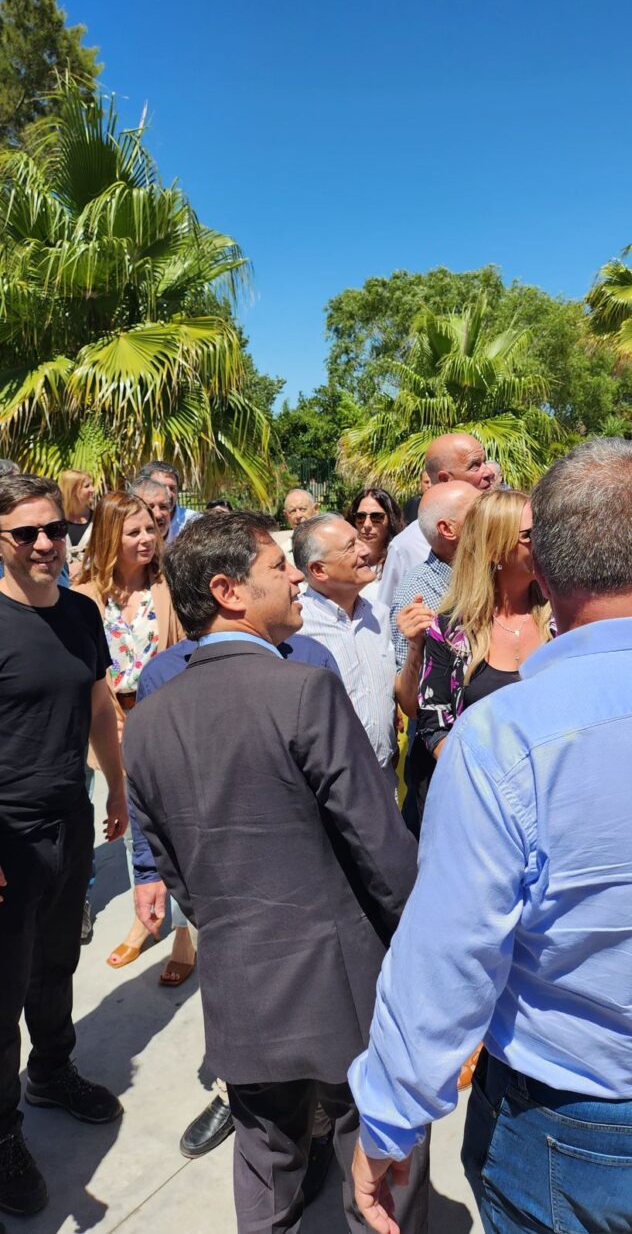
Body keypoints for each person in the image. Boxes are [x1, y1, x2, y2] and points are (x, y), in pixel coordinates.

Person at [350, 439, 632, 1234]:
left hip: (571, 1127)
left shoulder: (507, 739)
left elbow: (448, 959)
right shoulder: (494, 717)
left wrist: (389, 1118)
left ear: (542, 569)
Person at [123, 511, 428, 1234]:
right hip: (345, 982)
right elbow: (380, 847)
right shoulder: (303, 691)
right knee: (382, 1167)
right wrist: (425, 948)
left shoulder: (149, 719)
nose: (296, 576)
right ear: (227, 591)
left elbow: (176, 868)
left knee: (265, 1168)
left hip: (240, 983)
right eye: (277, 567)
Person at [127, 623, 340, 1189]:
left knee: (315, 1007)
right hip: (216, 880)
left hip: (304, 876)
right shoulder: (163, 675)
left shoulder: (310, 658)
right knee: (238, 1003)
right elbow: (144, 787)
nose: (294, 580)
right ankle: (237, 1094)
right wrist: (148, 872)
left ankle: (318, 1123)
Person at [0, 474, 126, 1219]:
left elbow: (98, 703)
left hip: (69, 819)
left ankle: (51, 1070)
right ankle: (2, 1132)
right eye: (26, 533)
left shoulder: (80, 612)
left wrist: (117, 787)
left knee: (55, 964)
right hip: (8, 834)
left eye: (57, 529)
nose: (46, 543)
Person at [73, 492, 186, 977]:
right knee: (131, 821)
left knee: (179, 820)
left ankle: (186, 935)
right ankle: (146, 916)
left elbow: (186, 651)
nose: (146, 539)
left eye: (150, 529)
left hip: (168, 715)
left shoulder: (170, 585)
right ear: (108, 538)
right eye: (133, 531)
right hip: (111, 716)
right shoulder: (84, 594)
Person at [418, 488, 553, 761]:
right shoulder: (450, 630)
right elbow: (435, 726)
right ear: (494, 550)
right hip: (483, 780)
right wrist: (487, 776)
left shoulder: (562, 618)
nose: (544, 543)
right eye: (530, 535)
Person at [389, 482, 481, 835]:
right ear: (448, 529)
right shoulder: (418, 594)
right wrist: (416, 648)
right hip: (447, 764)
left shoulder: (502, 572)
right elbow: (411, 705)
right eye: (479, 509)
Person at [292, 514, 400, 791]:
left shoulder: (380, 615)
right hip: (329, 791)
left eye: (360, 541)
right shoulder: (297, 627)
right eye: (351, 546)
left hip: (384, 782)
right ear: (319, 570)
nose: (365, 551)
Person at [378, 432, 496, 607]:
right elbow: (388, 612)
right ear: (444, 479)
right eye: (475, 466)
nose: (489, 472)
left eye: (484, 462)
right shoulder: (406, 547)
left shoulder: (510, 525)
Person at [346, 487, 403, 602]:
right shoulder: (343, 561)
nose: (367, 525)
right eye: (360, 517)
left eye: (376, 517)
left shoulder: (400, 562)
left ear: (391, 519)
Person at [135, 460, 197, 540]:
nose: (168, 494)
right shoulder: (131, 522)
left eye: (172, 488)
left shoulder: (194, 522)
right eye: (161, 486)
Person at [58, 470, 95, 580]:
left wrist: (83, 565)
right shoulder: (55, 521)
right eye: (87, 486)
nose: (93, 489)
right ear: (72, 491)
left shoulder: (99, 519)